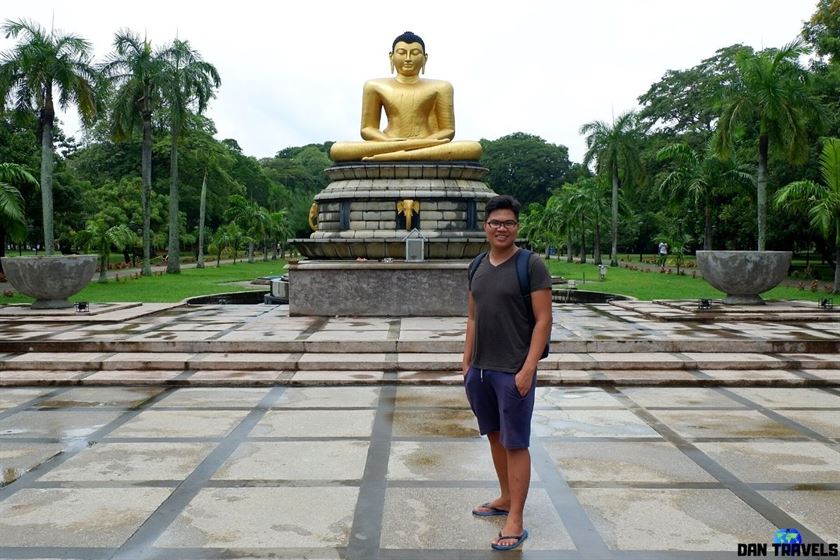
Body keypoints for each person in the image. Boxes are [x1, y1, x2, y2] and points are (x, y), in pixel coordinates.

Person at [462, 195, 552, 551]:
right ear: (485, 227)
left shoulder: (530, 265)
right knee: (495, 436)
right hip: (481, 371)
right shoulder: (477, 265)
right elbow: (472, 317)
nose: (502, 228)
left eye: (508, 223)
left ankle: (516, 516)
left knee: (516, 442)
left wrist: (528, 368)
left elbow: (544, 320)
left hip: (513, 371)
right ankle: (503, 497)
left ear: (517, 227)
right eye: (495, 223)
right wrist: (466, 362)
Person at [329, 31, 482, 162]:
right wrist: (392, 143)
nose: (408, 58)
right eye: (402, 52)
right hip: (388, 143)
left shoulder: (442, 87)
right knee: (338, 149)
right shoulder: (374, 86)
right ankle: (405, 153)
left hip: (427, 143)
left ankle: (393, 156)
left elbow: (448, 130)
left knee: (473, 148)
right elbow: (367, 129)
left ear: (425, 58)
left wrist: (421, 143)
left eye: (415, 53)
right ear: (391, 56)